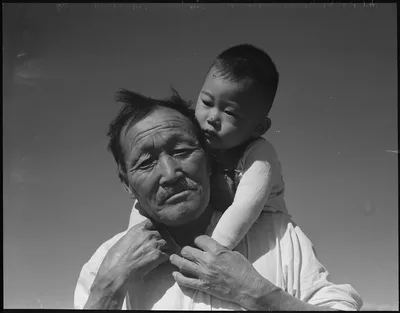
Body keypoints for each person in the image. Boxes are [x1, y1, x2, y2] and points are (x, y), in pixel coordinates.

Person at [74, 89, 362, 310]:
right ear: (127, 184)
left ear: (210, 161)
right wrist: (107, 289)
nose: (170, 173)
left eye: (182, 151)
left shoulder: (277, 235)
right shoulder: (104, 264)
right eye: (146, 162)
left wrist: (256, 293)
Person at [129, 44, 287, 250]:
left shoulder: (260, 155)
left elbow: (244, 208)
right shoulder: (195, 141)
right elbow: (147, 197)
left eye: (230, 113)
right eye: (206, 102)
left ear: (259, 127)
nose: (212, 117)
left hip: (263, 235)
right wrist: (134, 240)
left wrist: (209, 255)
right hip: (217, 229)